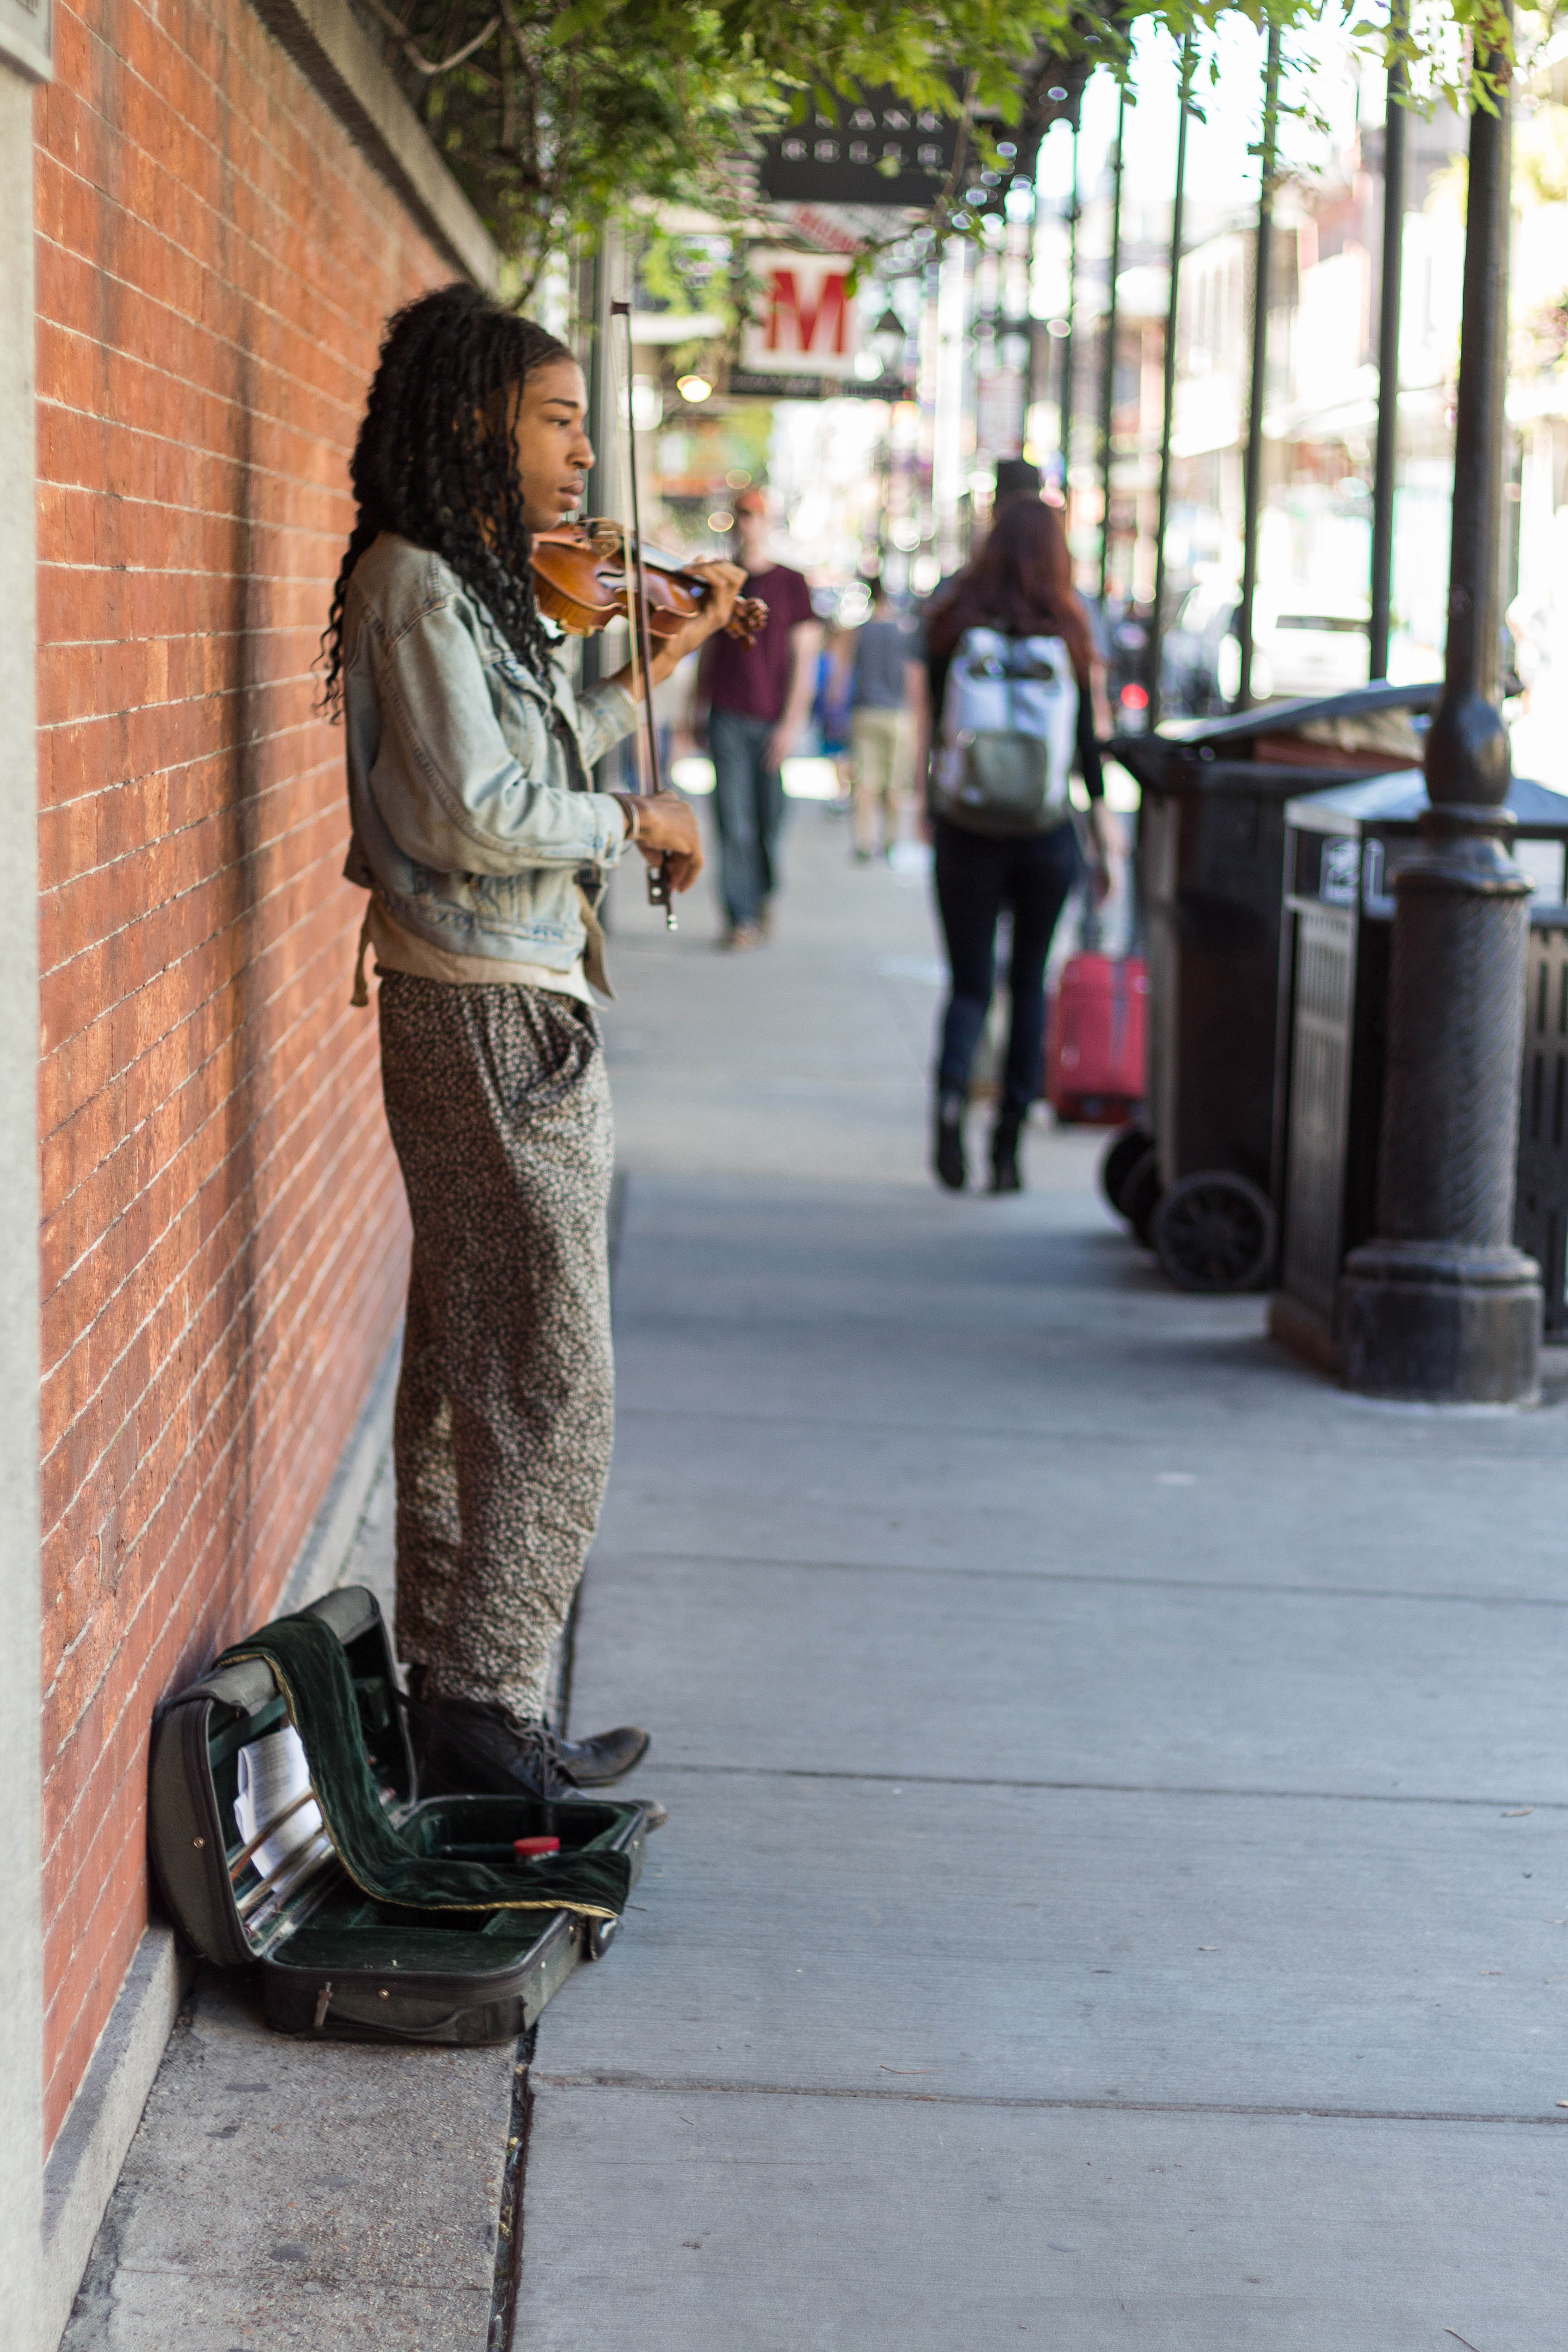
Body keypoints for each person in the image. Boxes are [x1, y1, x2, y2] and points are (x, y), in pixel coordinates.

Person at [320, 284, 743, 1799]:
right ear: (472, 421)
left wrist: (657, 662)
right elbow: (472, 816)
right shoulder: (423, 581)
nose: (580, 462)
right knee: (549, 1371)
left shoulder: (464, 586)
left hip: (501, 993)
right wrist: (635, 816)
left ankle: (462, 1700)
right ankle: (489, 1697)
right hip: (488, 998)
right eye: (558, 423)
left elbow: (514, 756)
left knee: (469, 1361)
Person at [922, 498, 1121, 1194]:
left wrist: (928, 805)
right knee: (1028, 985)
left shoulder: (955, 619)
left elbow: (934, 728)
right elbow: (1088, 744)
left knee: (970, 983)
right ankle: (1008, 1144)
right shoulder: (1068, 625)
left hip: (966, 828)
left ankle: (950, 1101)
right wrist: (1103, 833)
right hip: (1044, 833)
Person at [698, 486, 820, 948]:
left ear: (767, 521)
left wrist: (791, 724)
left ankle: (762, 894)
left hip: (772, 718)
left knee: (769, 823)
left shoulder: (791, 583)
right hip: (727, 713)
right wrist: (696, 705)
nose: (746, 523)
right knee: (734, 822)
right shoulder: (723, 578)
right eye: (740, 515)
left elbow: (805, 658)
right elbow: (707, 644)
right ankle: (740, 916)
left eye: (754, 515)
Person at [846, 574, 925, 860]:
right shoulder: (905, 632)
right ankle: (891, 841)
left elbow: (843, 672)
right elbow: (913, 677)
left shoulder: (860, 631)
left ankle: (864, 841)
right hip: (898, 714)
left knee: (866, 782)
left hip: (865, 711)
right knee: (895, 784)